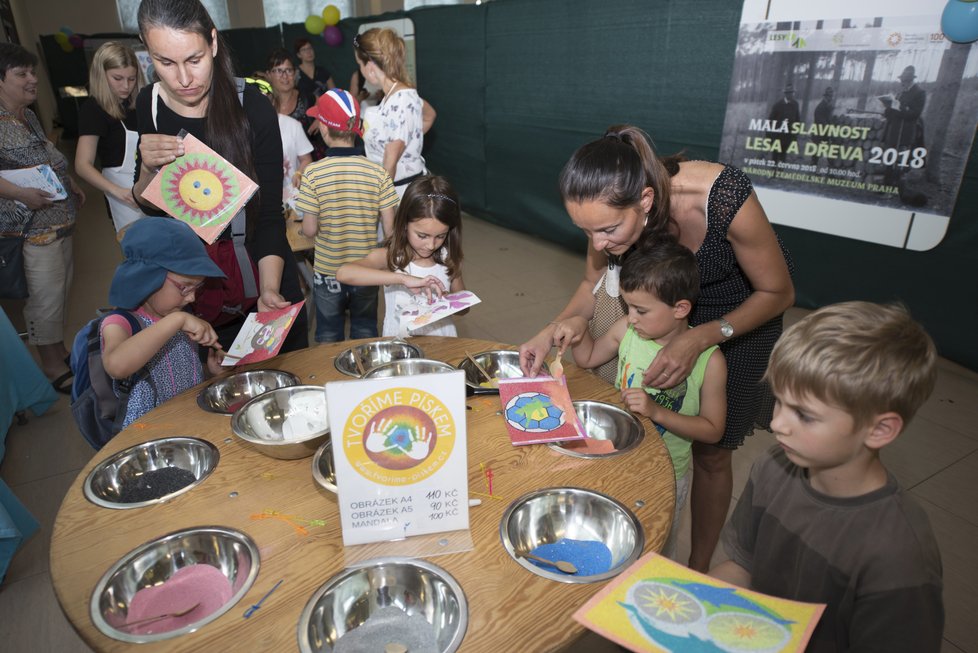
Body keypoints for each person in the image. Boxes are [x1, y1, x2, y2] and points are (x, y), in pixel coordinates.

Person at [519, 125, 794, 572]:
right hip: (657, 313)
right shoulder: (607, 224)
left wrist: (702, 336)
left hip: (738, 316)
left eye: (607, 229)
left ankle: (698, 565)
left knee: (711, 449)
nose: (598, 244)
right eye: (585, 232)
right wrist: (554, 327)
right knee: (649, 425)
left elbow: (778, 293)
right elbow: (592, 283)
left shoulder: (722, 198)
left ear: (645, 201)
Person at [711, 301, 943, 651]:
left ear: (879, 430)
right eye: (779, 401)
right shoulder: (772, 466)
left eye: (804, 415)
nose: (776, 424)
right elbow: (742, 566)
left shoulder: (899, 557)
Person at [131, 0, 307, 354]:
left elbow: (271, 215)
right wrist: (148, 168)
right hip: (193, 286)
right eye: (165, 62)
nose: (183, 79)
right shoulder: (148, 103)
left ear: (212, 42)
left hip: (262, 265)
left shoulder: (252, 105)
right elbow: (152, 208)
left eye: (194, 60)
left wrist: (269, 290)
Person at [562, 238, 726, 558]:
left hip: (665, 476)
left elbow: (713, 429)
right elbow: (589, 357)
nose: (631, 317)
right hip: (619, 460)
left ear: (680, 309)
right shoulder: (627, 329)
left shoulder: (710, 361)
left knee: (655, 547)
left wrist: (656, 412)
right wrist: (578, 330)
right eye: (628, 306)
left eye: (641, 310)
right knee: (614, 541)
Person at [0, 42, 86, 393]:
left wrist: (73, 182)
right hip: (30, 230)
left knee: (59, 292)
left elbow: (47, 158)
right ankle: (50, 366)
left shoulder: (29, 115)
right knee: (44, 298)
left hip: (59, 223)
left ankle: (60, 352)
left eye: (32, 72)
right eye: (22, 74)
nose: (32, 79)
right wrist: (21, 194)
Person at [102, 217, 226, 427]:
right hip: (149, 432)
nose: (192, 298)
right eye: (185, 287)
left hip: (189, 418)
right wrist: (177, 321)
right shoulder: (120, 321)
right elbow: (116, 365)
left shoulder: (178, 313)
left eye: (198, 288)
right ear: (148, 277)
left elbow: (178, 372)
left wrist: (208, 371)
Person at [296, 89, 397, 342]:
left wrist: (301, 230)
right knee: (365, 328)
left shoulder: (312, 174)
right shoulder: (379, 173)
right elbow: (391, 232)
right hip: (366, 270)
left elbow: (309, 230)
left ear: (325, 131)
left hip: (329, 271)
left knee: (328, 332)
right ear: (356, 128)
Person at [336, 176, 465, 337]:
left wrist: (447, 301)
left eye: (440, 236)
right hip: (402, 346)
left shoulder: (448, 257)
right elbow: (343, 272)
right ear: (404, 224)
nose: (431, 245)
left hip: (442, 339)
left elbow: (464, 309)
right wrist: (403, 279)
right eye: (422, 235)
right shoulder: (391, 257)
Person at [353, 28, 437, 200]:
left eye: (359, 65)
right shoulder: (397, 95)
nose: (360, 70)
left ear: (370, 68)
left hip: (400, 194)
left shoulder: (400, 99)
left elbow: (391, 159)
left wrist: (378, 204)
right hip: (398, 188)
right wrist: (412, 138)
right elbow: (430, 115)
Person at [75, 42, 147, 237]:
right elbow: (82, 164)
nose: (126, 86)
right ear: (101, 75)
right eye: (118, 78)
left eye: (131, 79)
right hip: (121, 193)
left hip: (148, 186)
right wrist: (117, 191)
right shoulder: (93, 110)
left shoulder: (139, 104)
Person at [266, 48, 325, 161]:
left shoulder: (307, 98)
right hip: (279, 163)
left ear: (295, 73)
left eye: (289, 70)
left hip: (311, 162)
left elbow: (328, 105)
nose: (284, 76)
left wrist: (320, 118)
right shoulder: (265, 105)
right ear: (269, 75)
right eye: (278, 71)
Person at [881, 65, 926, 194]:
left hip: (905, 132)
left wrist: (900, 109)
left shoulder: (920, 93)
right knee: (889, 158)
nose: (902, 83)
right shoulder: (900, 93)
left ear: (910, 80)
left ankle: (895, 187)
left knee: (901, 160)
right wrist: (888, 109)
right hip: (894, 130)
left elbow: (915, 114)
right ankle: (885, 185)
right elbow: (894, 110)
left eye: (904, 81)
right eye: (901, 80)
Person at [767, 82, 799, 164]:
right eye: (788, 93)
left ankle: (780, 172)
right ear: (785, 94)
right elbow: (770, 120)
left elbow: (797, 120)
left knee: (783, 154)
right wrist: (769, 136)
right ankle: (773, 172)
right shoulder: (777, 105)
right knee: (775, 154)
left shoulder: (795, 104)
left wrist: (795, 134)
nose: (790, 95)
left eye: (792, 93)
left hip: (788, 135)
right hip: (777, 135)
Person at [809, 86, 835, 167]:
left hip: (825, 133)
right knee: (816, 154)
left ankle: (829, 168)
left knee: (828, 152)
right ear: (826, 96)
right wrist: (829, 128)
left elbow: (829, 119)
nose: (831, 98)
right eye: (829, 96)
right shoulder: (820, 107)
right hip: (818, 133)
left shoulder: (828, 106)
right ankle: (812, 169)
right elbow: (821, 121)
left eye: (831, 96)